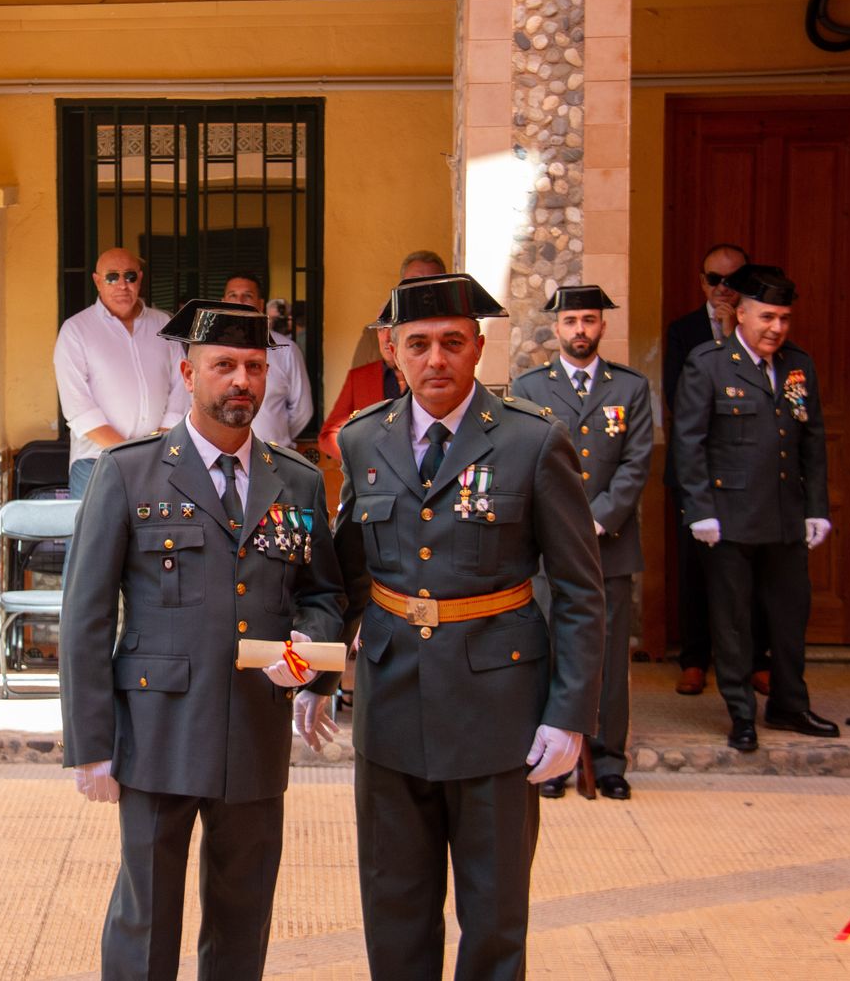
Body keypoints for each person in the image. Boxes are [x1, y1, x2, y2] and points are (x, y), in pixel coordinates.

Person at [297, 273, 604, 981]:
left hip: (498, 712)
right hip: (392, 703)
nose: (436, 359)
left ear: (478, 347)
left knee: (494, 916)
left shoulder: (532, 441)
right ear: (391, 349)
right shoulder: (365, 439)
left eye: (452, 343)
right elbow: (344, 578)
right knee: (394, 904)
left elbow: (582, 591)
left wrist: (570, 714)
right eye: (419, 344)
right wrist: (314, 672)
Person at [60, 298, 345, 981]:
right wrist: (91, 745)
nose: (241, 379)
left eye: (253, 366)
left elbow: (325, 595)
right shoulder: (129, 472)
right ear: (189, 374)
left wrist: (311, 660)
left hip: (253, 726)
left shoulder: (298, 480)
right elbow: (87, 615)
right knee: (147, 915)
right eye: (224, 366)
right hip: (157, 728)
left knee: (244, 913)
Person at [673, 264, 838, 752]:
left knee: (789, 617)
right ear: (740, 314)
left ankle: (789, 703)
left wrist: (817, 508)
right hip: (729, 520)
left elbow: (813, 441)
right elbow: (689, 442)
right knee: (734, 622)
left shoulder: (797, 365)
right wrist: (699, 509)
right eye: (767, 317)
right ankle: (741, 713)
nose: (777, 328)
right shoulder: (709, 363)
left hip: (786, 517)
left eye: (784, 318)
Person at [510, 284, 652, 801]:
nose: (580, 331)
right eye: (571, 322)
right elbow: (520, 463)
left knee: (609, 659)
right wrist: (563, 524)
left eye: (589, 321)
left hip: (608, 546)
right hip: (548, 548)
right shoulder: (530, 387)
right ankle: (553, 761)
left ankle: (610, 759)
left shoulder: (630, 388)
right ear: (556, 328)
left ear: (602, 326)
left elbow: (637, 464)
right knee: (546, 650)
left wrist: (597, 519)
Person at [663, 243, 769, 697]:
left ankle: (756, 660)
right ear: (700, 282)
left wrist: (734, 333)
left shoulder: (764, 329)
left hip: (752, 472)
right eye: (714, 279)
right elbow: (679, 397)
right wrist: (720, 340)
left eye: (733, 280)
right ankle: (694, 659)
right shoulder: (683, 330)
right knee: (695, 569)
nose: (723, 289)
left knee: (756, 569)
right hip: (697, 468)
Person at [54, 248, 187, 497]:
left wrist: (158, 444)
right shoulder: (76, 330)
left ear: (140, 278)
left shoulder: (164, 325)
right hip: (97, 460)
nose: (122, 285)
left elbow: (182, 384)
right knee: (95, 536)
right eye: (112, 277)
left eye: (130, 276)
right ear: (97, 281)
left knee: (156, 535)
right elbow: (78, 408)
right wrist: (129, 454)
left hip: (157, 459)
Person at [318, 250, 447, 460]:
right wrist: (363, 458)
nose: (387, 338)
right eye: (382, 329)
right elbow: (342, 421)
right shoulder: (370, 355)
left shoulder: (443, 349)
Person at [221, 272, 312, 448]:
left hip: (272, 458)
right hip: (218, 460)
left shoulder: (286, 349)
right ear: (223, 302)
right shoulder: (208, 351)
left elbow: (302, 411)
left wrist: (275, 436)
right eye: (233, 295)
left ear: (260, 304)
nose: (239, 301)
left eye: (247, 296)